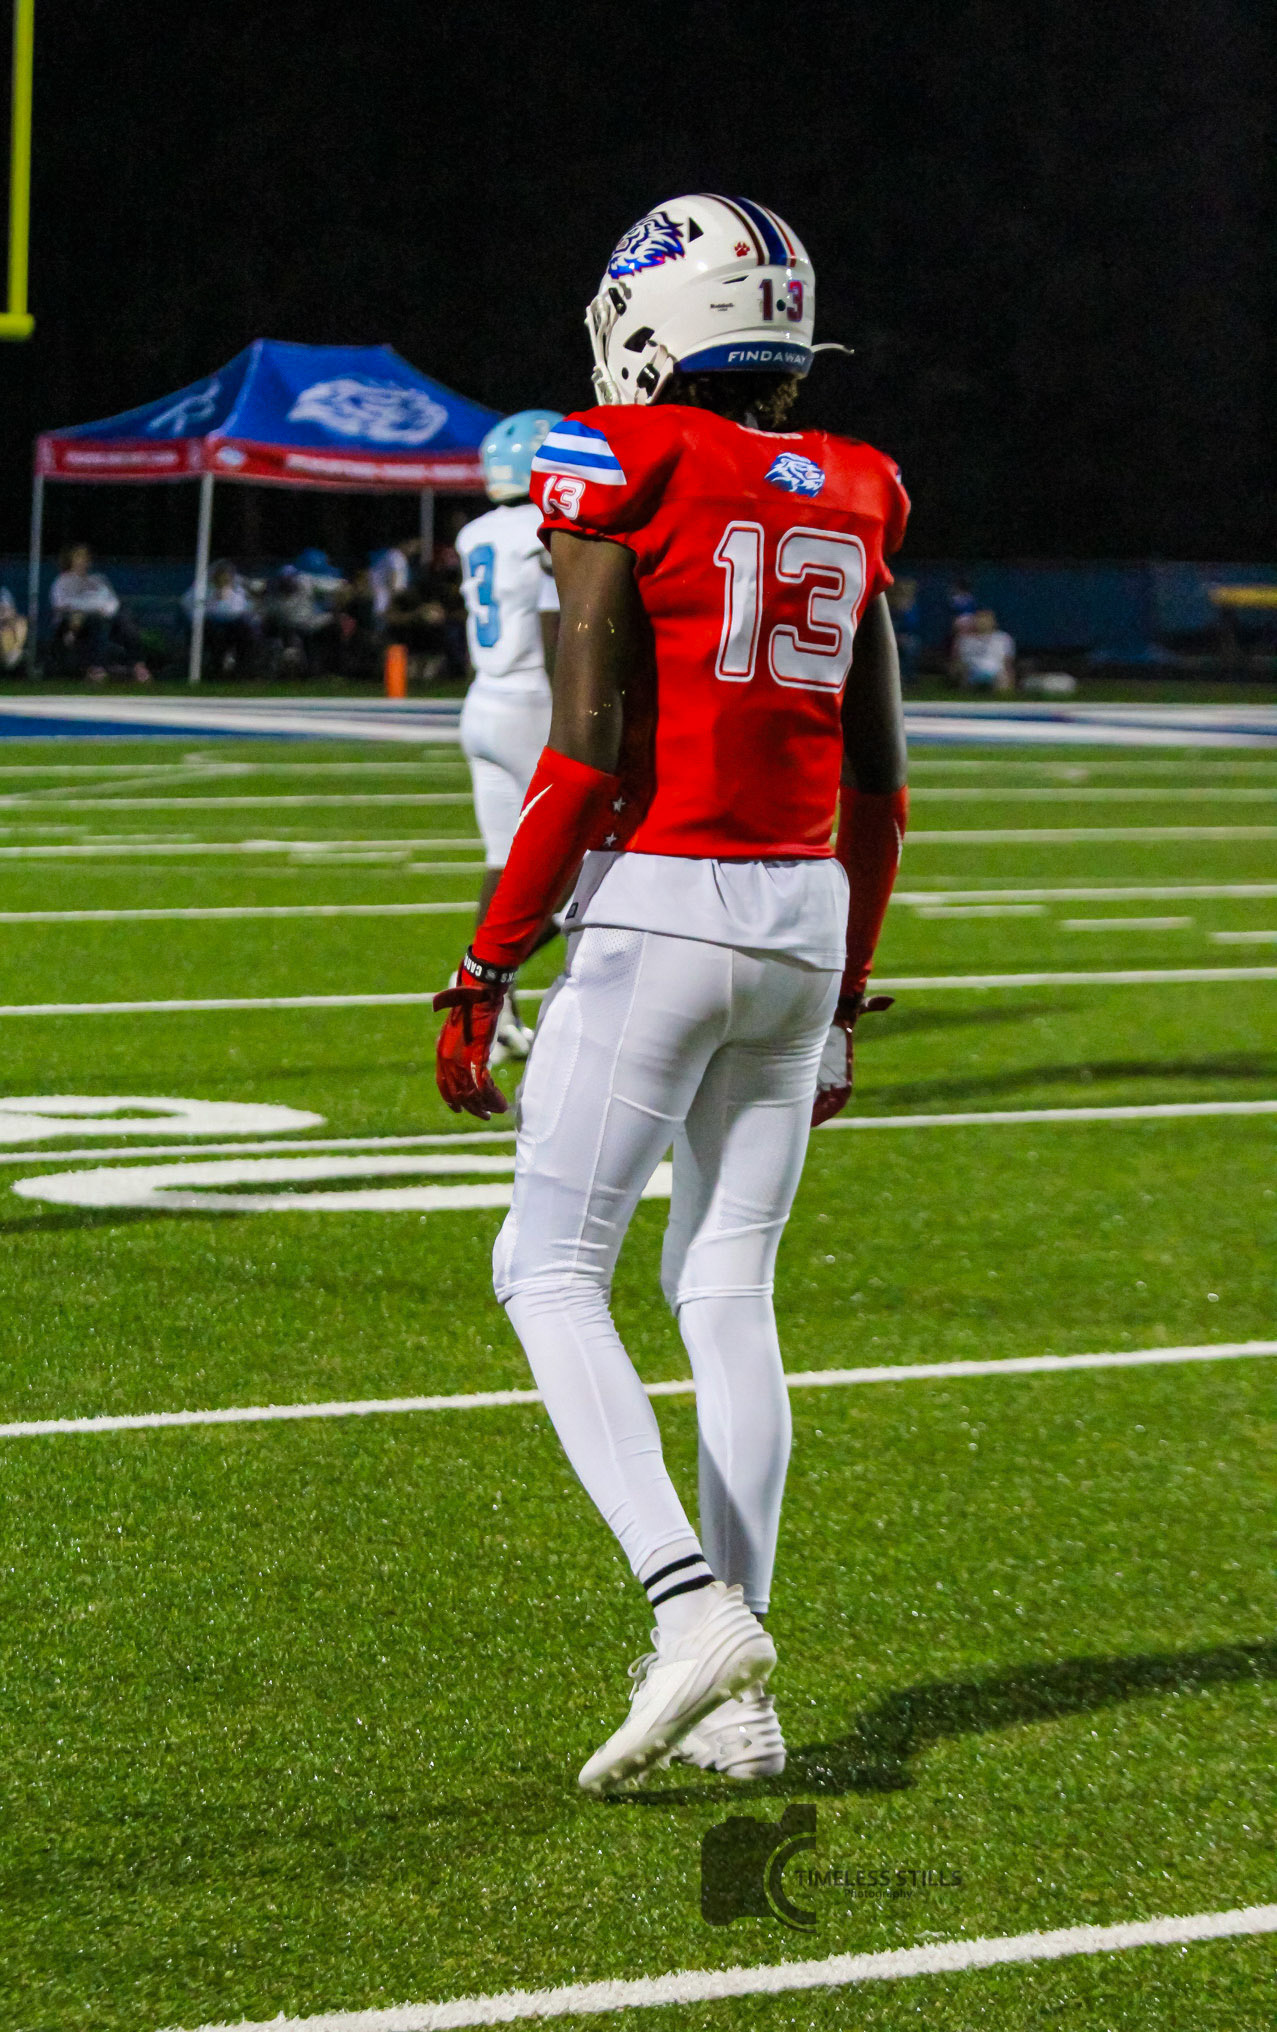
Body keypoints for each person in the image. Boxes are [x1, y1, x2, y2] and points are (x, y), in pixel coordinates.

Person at [433, 194, 909, 1795]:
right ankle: (738, 1696)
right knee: (726, 1289)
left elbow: (579, 758)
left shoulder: (616, 460)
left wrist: (485, 963)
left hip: (664, 899)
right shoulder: (860, 484)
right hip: (802, 916)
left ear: (649, 326)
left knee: (546, 1270)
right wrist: (842, 993)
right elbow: (882, 790)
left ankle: (688, 1606)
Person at [454, 410, 561, 1062]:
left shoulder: (474, 533)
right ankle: (481, 981)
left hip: (483, 702)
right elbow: (557, 628)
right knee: (585, 873)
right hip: (532, 705)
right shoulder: (545, 529)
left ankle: (490, 1010)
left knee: (503, 861)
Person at [48, 544, 149, 682]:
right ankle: (95, 667)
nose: (83, 560)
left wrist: (106, 611)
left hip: (107, 617)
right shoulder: (63, 581)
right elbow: (61, 604)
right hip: (76, 621)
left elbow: (112, 601)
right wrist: (91, 609)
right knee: (95, 620)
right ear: (70, 559)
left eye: (85, 557)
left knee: (125, 620)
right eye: (79, 556)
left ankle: (138, 666)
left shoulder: (98, 579)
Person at [183, 560, 260, 676]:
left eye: (228, 575)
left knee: (248, 630)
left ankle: (243, 669)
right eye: (221, 575)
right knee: (215, 635)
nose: (224, 579)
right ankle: (216, 667)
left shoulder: (238, 591)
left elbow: (245, 609)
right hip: (210, 627)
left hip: (234, 627)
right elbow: (189, 606)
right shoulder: (201, 590)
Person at [952, 605, 1016, 691]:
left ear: (993, 622)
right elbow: (959, 660)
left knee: (1003, 678)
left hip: (996, 673)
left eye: (986, 619)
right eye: (980, 619)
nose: (983, 622)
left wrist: (1010, 679)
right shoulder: (965, 640)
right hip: (972, 672)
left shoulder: (1003, 638)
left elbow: (1008, 662)